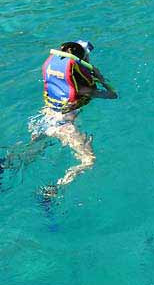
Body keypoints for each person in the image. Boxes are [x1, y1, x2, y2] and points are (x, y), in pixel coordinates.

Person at [32, 40, 117, 195]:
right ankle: (56, 188)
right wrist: (100, 78)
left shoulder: (58, 80)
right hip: (65, 127)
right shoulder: (84, 89)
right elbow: (112, 95)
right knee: (89, 161)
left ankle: (4, 165)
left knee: (32, 152)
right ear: (83, 62)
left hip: (45, 119)